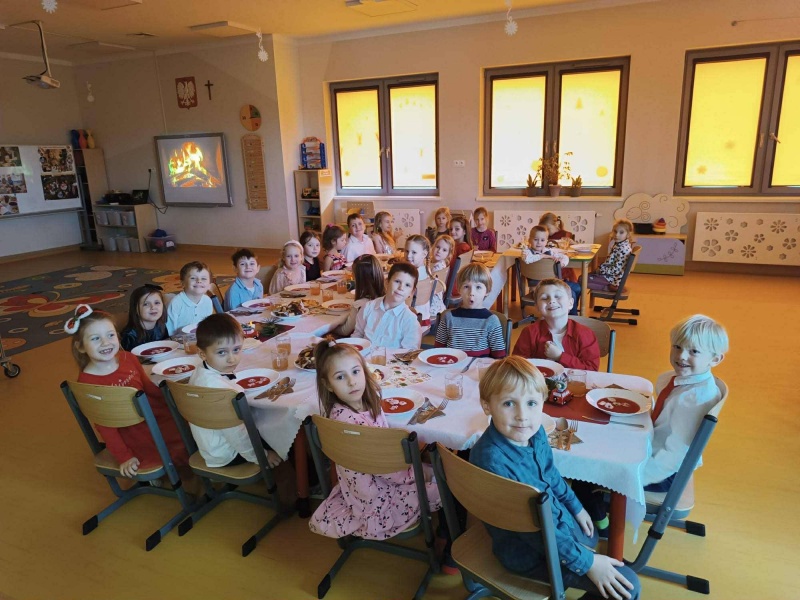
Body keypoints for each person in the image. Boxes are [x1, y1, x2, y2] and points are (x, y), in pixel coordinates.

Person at [470, 356, 640, 600]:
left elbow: (549, 473)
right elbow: (534, 532)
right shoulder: (492, 462)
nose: (522, 415)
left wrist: (575, 506)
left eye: (531, 403)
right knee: (629, 588)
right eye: (508, 403)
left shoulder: (534, 431)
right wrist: (587, 562)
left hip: (551, 521)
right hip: (529, 551)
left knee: (591, 535)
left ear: (542, 402)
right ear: (487, 406)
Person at [574, 314, 728, 537]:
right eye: (677, 347)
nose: (681, 356)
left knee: (582, 473)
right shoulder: (684, 382)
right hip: (651, 447)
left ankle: (602, 527)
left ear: (715, 359)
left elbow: (673, 455)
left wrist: (632, 478)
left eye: (694, 351)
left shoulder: (694, 400)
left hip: (663, 471)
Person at [308, 338, 441, 540]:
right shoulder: (352, 426)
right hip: (377, 497)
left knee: (432, 470)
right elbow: (386, 469)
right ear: (328, 385)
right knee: (442, 484)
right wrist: (417, 473)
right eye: (340, 377)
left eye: (355, 372)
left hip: (373, 482)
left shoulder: (362, 404)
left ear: (365, 371)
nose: (352, 381)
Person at [70, 304, 188, 478]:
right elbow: (105, 426)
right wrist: (124, 456)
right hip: (131, 431)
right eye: (95, 338)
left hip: (153, 414)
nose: (105, 342)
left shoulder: (129, 358)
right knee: (167, 448)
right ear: (80, 346)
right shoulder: (88, 382)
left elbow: (149, 389)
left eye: (110, 335)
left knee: (187, 428)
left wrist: (175, 404)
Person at [188, 314, 281, 468]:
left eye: (236, 350)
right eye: (221, 352)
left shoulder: (201, 371)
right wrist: (261, 456)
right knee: (279, 431)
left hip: (212, 446)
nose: (232, 359)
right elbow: (236, 434)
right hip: (228, 453)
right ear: (202, 353)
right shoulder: (219, 392)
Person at [513, 279, 600, 371]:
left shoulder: (585, 334)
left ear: (570, 303)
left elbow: (591, 369)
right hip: (538, 380)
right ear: (537, 306)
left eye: (557, 296)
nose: (551, 301)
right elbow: (517, 365)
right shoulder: (529, 332)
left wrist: (560, 356)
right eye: (544, 298)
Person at [435, 263, 506, 358]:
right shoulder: (449, 317)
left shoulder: (491, 320)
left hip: (480, 366)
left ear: (487, 291)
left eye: (478, 287)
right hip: (452, 365)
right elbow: (438, 350)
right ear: (459, 289)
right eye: (466, 287)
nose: (471, 293)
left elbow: (499, 356)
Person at [354, 261, 421, 350]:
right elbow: (357, 336)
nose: (401, 288)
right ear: (387, 282)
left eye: (407, 285)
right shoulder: (368, 307)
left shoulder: (410, 321)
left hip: (390, 359)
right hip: (363, 356)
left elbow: (409, 353)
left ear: (412, 292)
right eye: (397, 281)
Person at [523, 225, 580, 315]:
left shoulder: (549, 251)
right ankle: (571, 317)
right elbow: (528, 259)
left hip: (553, 284)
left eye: (542, 240)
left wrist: (562, 263)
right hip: (537, 287)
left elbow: (564, 256)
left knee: (577, 288)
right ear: (529, 240)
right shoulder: (527, 252)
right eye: (536, 239)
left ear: (546, 241)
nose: (539, 243)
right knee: (571, 293)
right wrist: (543, 256)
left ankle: (568, 311)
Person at [333, 254, 385, 337]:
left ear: (358, 279)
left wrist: (330, 328)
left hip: (363, 341)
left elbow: (345, 331)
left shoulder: (360, 304)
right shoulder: (386, 298)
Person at [166, 261, 214, 335]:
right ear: (182, 283)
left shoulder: (208, 301)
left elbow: (207, 326)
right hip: (179, 340)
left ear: (209, 285)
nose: (199, 281)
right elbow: (170, 331)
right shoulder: (176, 303)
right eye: (193, 278)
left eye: (203, 278)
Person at [587, 219, 634, 292]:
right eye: (615, 231)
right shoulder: (620, 244)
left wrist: (600, 270)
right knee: (586, 276)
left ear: (628, 234)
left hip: (612, 280)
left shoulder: (623, 249)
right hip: (610, 276)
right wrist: (600, 269)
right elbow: (611, 262)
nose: (617, 235)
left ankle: (608, 288)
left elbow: (616, 270)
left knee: (582, 280)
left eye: (621, 232)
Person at [119, 284, 168, 352]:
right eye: (146, 304)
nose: (153, 307)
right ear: (135, 309)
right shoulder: (129, 335)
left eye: (157, 303)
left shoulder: (161, 326)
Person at [404, 234, 433, 327]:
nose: (408, 255)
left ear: (424, 254)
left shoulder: (414, 275)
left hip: (414, 318)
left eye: (414, 252)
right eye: (406, 251)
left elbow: (405, 298)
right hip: (424, 316)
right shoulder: (426, 269)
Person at [429, 234, 455, 316]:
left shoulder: (438, 267)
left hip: (431, 306)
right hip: (438, 304)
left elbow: (427, 287)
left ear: (448, 254)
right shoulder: (440, 263)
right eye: (438, 247)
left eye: (444, 250)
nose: (439, 251)